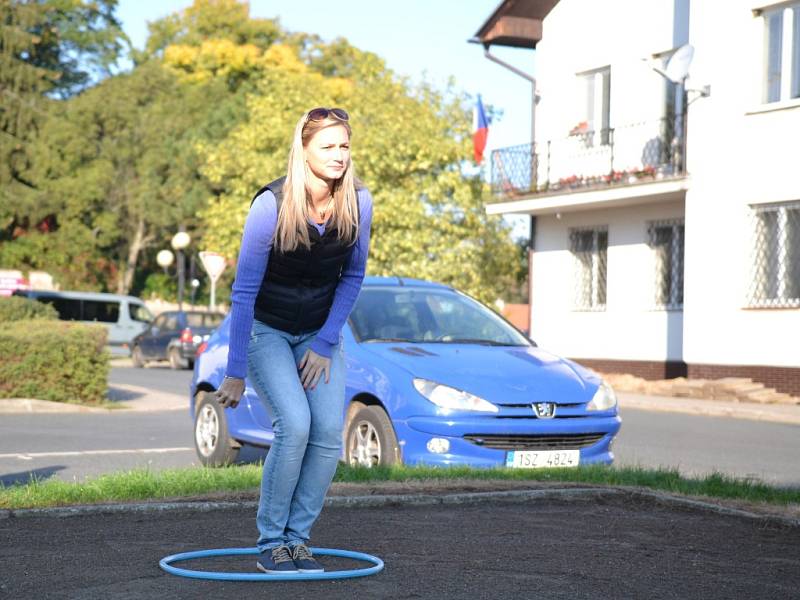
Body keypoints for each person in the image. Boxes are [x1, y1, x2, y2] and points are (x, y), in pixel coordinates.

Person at [213, 107, 373, 574]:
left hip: (318, 335)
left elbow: (354, 275)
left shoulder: (358, 202)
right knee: (295, 426)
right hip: (268, 330)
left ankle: (298, 540)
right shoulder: (271, 204)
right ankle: (271, 542)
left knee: (327, 434)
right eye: (328, 146)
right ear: (303, 151)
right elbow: (243, 292)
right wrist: (236, 370)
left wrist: (325, 342)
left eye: (344, 146)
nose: (339, 155)